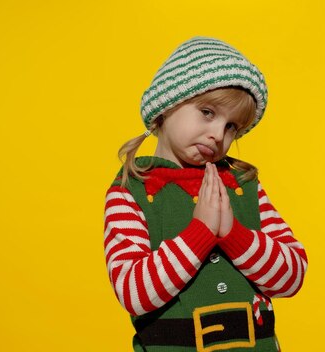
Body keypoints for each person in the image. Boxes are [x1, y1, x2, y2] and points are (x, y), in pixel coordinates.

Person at [103, 36, 308, 352]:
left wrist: (232, 233)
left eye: (232, 128)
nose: (218, 134)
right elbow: (134, 294)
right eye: (208, 112)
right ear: (167, 103)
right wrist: (200, 233)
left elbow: (292, 276)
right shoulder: (131, 191)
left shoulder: (244, 185)